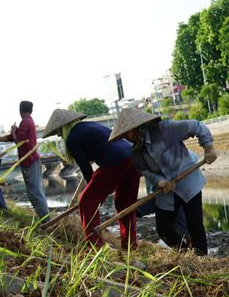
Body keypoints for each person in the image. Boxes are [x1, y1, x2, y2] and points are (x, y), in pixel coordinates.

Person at [109, 109, 217, 256]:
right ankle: (185, 253)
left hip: (188, 181)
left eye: (127, 133)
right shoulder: (136, 153)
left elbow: (197, 126)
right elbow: (145, 171)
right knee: (163, 228)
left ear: (137, 128)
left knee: (194, 224)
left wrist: (208, 147)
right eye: (123, 136)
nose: (127, 138)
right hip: (166, 191)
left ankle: (201, 259)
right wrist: (159, 181)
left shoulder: (165, 130)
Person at [43, 109, 140, 249]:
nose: (60, 136)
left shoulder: (72, 138)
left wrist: (95, 195)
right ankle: (130, 246)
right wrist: (104, 189)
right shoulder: (90, 126)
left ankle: (95, 247)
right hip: (132, 158)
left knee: (86, 202)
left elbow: (87, 170)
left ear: (63, 127)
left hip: (115, 161)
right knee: (125, 204)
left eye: (59, 133)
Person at [0, 100, 49, 218]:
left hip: (29, 161)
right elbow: (13, 138)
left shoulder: (25, 122)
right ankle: (45, 218)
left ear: (20, 110)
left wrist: (13, 132)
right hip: (32, 160)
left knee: (35, 193)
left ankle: (46, 220)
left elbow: (18, 141)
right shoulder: (29, 121)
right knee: (35, 192)